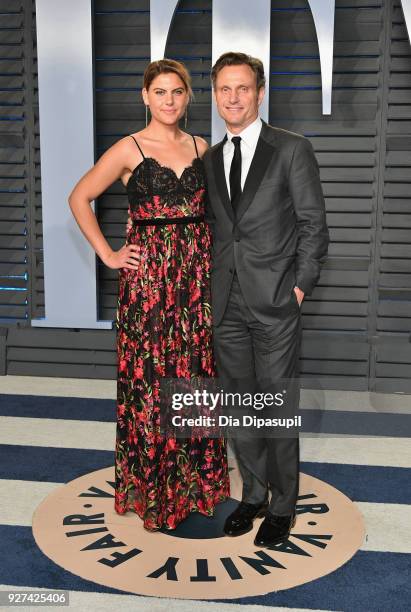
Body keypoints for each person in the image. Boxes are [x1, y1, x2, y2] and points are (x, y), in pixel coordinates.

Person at [68, 58, 230, 531]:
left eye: (177, 92)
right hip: (150, 283)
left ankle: (195, 483)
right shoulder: (128, 148)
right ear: (145, 96)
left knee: (195, 375)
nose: (169, 101)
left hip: (195, 280)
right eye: (160, 92)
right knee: (153, 376)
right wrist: (110, 254)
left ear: (187, 96)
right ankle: (155, 488)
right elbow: (79, 197)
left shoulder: (203, 146)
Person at [203, 52, 329, 546]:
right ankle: (252, 495)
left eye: (242, 88)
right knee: (239, 407)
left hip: (276, 301)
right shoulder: (210, 158)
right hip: (226, 304)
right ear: (215, 96)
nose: (233, 98)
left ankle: (283, 505)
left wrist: (299, 287)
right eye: (224, 90)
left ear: (259, 92)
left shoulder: (292, 149)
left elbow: (313, 226)